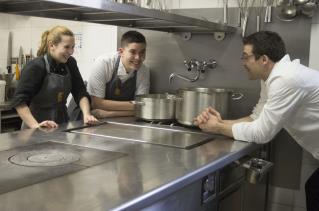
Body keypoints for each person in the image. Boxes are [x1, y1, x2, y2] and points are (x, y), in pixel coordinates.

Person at [194, 31, 319, 211]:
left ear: (264, 59)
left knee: (314, 190)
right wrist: (221, 123)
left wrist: (219, 128)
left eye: (246, 57)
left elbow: (262, 133)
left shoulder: (285, 79)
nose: (242, 63)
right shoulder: (271, 77)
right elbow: (256, 116)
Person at [12, 25, 98, 129]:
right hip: (37, 125)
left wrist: (86, 114)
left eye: (72, 47)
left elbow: (80, 92)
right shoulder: (36, 66)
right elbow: (19, 101)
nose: (71, 52)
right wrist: (36, 126)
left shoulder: (70, 63)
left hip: (62, 124)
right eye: (66, 47)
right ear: (52, 45)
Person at [87, 30, 150, 118]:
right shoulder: (103, 63)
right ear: (121, 52)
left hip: (112, 117)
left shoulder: (143, 71)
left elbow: (143, 108)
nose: (138, 58)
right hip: (88, 116)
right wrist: (136, 106)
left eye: (142, 52)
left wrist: (108, 114)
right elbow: (97, 103)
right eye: (133, 52)